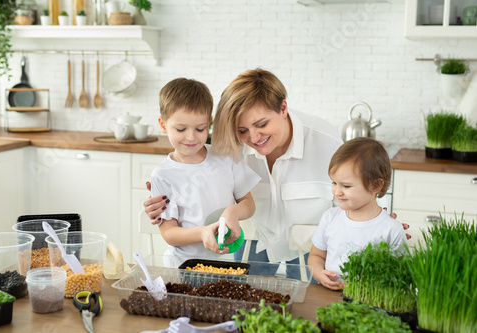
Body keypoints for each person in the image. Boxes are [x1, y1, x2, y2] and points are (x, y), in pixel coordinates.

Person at [144, 68, 410, 279]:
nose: (254, 138)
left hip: (312, 255)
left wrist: (376, 220)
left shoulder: (325, 141)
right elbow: (195, 175)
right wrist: (161, 201)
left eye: (261, 125)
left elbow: (357, 189)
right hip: (247, 251)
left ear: (283, 109)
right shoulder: (229, 147)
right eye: (242, 130)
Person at [149, 78, 261, 267]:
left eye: (200, 129)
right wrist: (202, 233)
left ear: (209, 123)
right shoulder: (162, 175)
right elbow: (169, 233)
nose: (191, 137)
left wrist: (233, 211)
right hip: (183, 267)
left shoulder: (226, 157)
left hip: (224, 264)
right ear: (163, 125)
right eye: (180, 129)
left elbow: (248, 204)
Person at [308, 137, 408, 290]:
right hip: (328, 295)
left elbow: (400, 275)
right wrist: (318, 273)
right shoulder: (330, 217)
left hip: (369, 303)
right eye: (334, 182)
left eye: (346, 186)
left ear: (375, 185)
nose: (337, 191)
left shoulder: (391, 229)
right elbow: (316, 256)